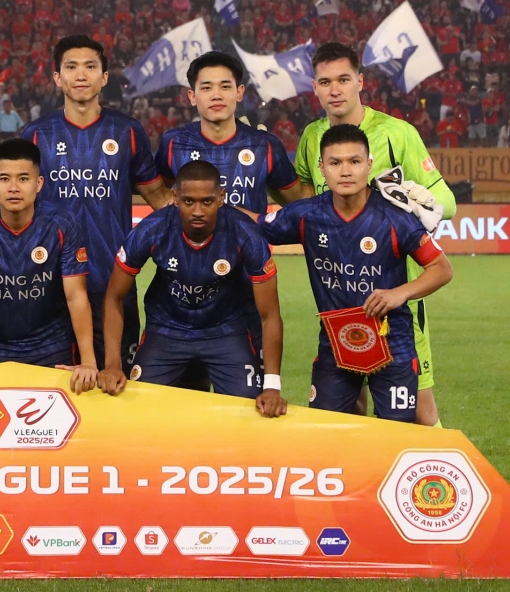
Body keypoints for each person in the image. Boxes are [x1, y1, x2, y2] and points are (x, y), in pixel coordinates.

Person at [293, 41, 455, 427]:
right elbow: (305, 200)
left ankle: (438, 468)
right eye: (325, 82)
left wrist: (413, 200)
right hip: (340, 303)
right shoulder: (312, 138)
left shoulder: (396, 134)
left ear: (360, 82)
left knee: (420, 411)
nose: (335, 90)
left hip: (394, 302)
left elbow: (446, 203)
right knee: (349, 410)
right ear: (314, 87)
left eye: (343, 79)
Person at [257, 124, 454, 423]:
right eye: (335, 163)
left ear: (369, 165)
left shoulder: (395, 217)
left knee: (395, 433)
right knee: (326, 430)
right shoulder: (307, 215)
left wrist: (399, 294)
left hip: (393, 344)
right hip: (335, 346)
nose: (346, 171)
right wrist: (216, 208)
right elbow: (254, 225)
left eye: (355, 161)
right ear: (322, 168)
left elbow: (442, 268)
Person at [24, 35, 171, 370]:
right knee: (55, 387)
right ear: (57, 77)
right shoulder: (35, 135)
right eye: (71, 67)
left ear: (104, 77)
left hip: (113, 283)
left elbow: (161, 199)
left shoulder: (127, 131)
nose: (81, 75)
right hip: (51, 284)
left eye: (90, 67)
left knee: (116, 381)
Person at [98, 161, 286, 418]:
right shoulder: (152, 229)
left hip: (225, 332)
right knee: (138, 409)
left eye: (207, 201)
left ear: (221, 198)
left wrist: (272, 386)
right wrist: (112, 365)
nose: (198, 211)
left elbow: (270, 315)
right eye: (189, 201)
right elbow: (114, 297)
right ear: (175, 197)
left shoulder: (246, 234)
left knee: (250, 409)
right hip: (166, 331)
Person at [0, 138, 98, 394]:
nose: (13, 188)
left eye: (23, 178)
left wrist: (88, 362)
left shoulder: (63, 223)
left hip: (50, 347)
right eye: (4, 179)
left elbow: (76, 295)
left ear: (39, 183)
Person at [157, 51, 301, 215]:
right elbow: (156, 193)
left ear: (239, 92)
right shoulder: (173, 143)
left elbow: (300, 202)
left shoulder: (266, 145)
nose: (216, 95)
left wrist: (267, 223)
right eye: (206, 88)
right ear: (192, 96)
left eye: (225, 87)